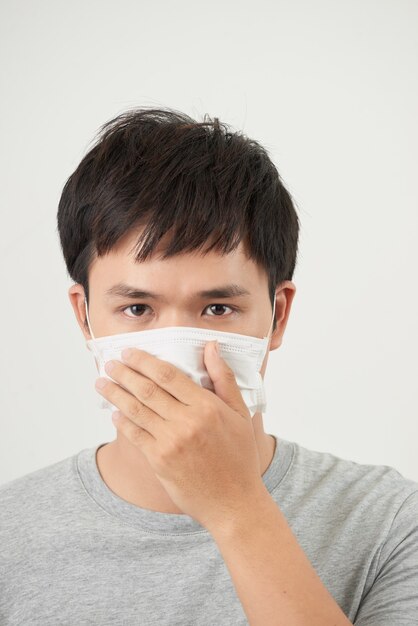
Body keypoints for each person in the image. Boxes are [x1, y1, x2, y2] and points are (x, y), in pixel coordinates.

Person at [1, 107, 417, 626]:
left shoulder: (390, 522)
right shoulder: (8, 534)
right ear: (85, 317)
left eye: (218, 309)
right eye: (136, 309)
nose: (178, 354)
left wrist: (236, 507)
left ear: (278, 316)